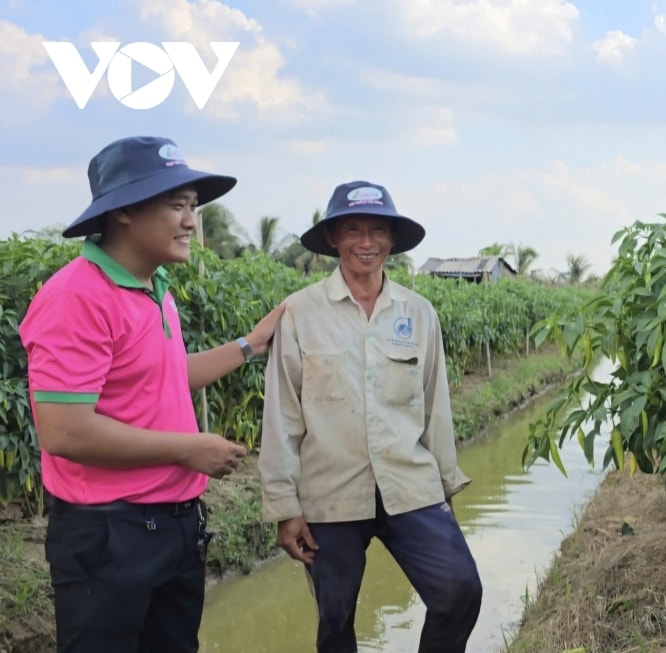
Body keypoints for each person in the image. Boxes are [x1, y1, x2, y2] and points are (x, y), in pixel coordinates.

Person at [18, 135, 286, 653]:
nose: (191, 221)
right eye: (176, 206)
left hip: (177, 527)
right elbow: (64, 430)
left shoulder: (152, 286)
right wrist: (189, 449)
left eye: (192, 207)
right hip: (109, 537)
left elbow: (161, 377)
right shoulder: (79, 296)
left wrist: (250, 345)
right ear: (124, 212)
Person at [258, 180, 483, 653]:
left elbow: (434, 405)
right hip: (331, 492)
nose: (366, 242)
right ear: (334, 239)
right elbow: (282, 415)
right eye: (354, 229)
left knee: (461, 590)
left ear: (393, 241)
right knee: (335, 619)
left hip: (409, 484)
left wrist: (444, 490)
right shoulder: (299, 313)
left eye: (378, 230)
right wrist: (284, 507)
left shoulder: (418, 313)